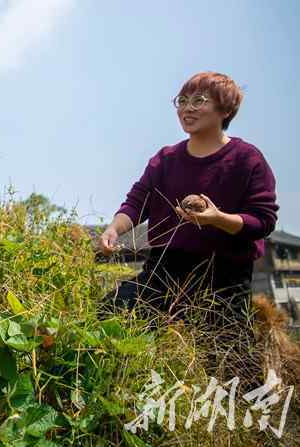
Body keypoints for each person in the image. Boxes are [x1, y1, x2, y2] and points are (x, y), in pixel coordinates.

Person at [99, 72, 278, 367]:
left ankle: (249, 408)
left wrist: (217, 218)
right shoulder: (166, 159)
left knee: (230, 362)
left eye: (199, 101)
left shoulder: (247, 159)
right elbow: (136, 202)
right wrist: (114, 229)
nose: (187, 108)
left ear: (225, 110)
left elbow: (263, 220)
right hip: (165, 268)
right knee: (112, 314)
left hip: (224, 275)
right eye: (182, 101)